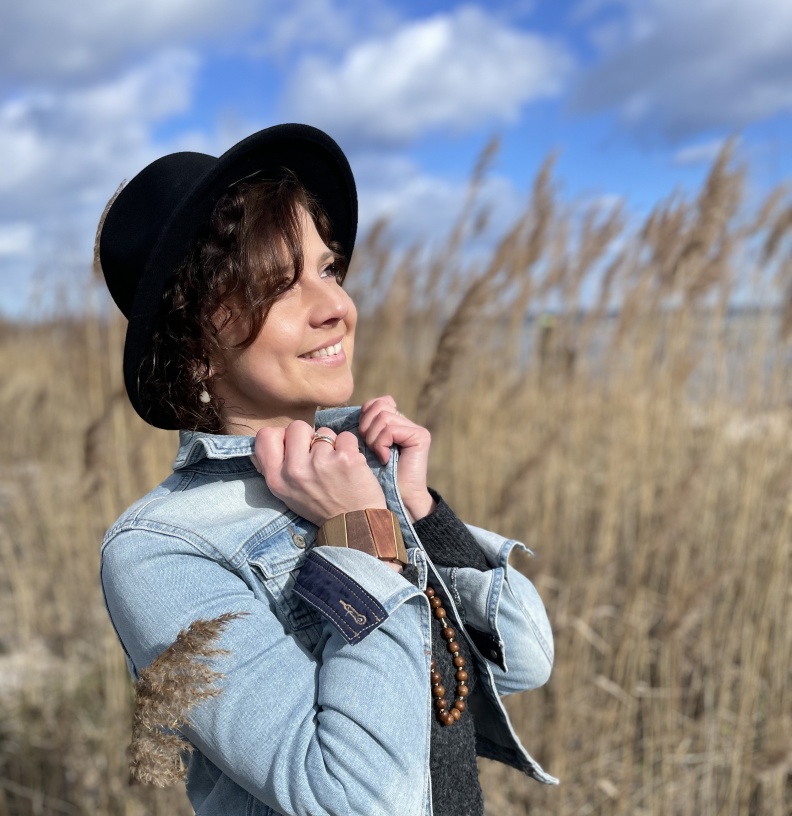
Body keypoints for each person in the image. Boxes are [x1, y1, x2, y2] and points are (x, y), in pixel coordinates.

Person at [98, 123, 557, 816]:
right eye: (277, 286)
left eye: (329, 270)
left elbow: (521, 659)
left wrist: (420, 514)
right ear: (192, 347)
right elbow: (356, 797)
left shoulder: (352, 467)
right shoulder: (162, 550)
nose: (337, 308)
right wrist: (361, 534)